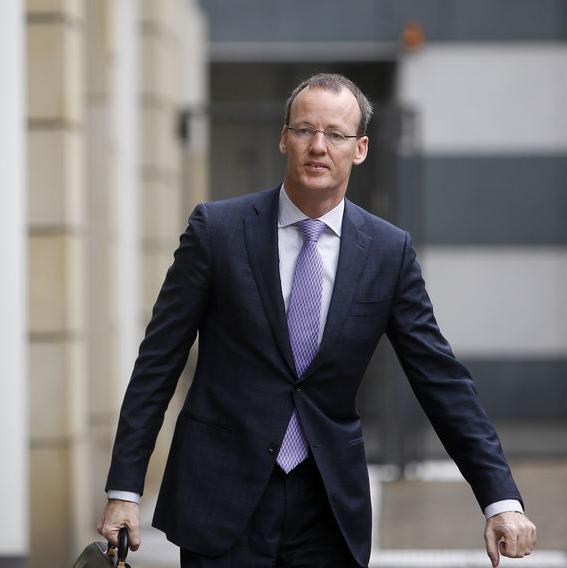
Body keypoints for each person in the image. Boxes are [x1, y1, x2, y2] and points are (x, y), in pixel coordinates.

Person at [97, 73, 536, 567]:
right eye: (305, 130)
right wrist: (125, 489)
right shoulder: (216, 232)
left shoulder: (389, 253)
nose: (318, 146)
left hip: (327, 504)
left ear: (361, 148)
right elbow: (158, 363)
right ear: (284, 138)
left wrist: (499, 498)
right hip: (221, 497)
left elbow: (441, 379)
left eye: (336, 134)